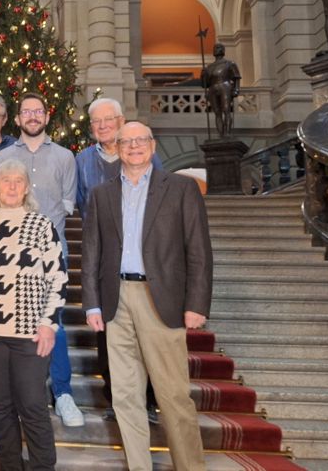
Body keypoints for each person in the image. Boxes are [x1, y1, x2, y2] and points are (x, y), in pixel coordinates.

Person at [82, 122, 212, 471]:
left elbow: (199, 251)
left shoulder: (182, 189)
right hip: (116, 301)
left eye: (141, 141)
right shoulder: (101, 194)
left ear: (153, 147)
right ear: (118, 148)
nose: (134, 147)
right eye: (127, 141)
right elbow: (92, 252)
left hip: (162, 300)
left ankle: (190, 467)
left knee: (172, 396)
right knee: (125, 396)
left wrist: (196, 304)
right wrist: (92, 302)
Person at [0, 158, 67, 471]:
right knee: (1, 407)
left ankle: (43, 467)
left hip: (29, 334)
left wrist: (49, 324)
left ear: (26, 188)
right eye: (5, 180)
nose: (10, 186)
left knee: (32, 406)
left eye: (17, 181)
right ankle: (10, 465)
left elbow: (57, 278)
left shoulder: (41, 225)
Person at [0, 92, 83, 428]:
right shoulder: (2, 156)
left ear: (47, 117)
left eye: (38, 111)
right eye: (26, 111)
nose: (32, 116)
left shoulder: (64, 157)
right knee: (12, 326)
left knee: (53, 325)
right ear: (17, 119)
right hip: (10, 255)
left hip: (50, 254)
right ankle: (21, 395)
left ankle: (62, 394)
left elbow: (67, 204)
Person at [74, 98, 163, 425]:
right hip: (103, 260)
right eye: (95, 122)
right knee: (108, 339)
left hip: (144, 260)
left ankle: (150, 401)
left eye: (107, 120)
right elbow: (84, 205)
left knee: (147, 338)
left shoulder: (143, 154)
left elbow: (162, 199)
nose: (101, 127)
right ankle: (116, 399)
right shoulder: (82, 160)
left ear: (121, 120)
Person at [201, 43, 241, 139]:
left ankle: (227, 132)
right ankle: (221, 134)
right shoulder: (209, 67)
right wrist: (203, 75)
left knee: (226, 110)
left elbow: (236, 77)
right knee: (217, 113)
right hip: (213, 88)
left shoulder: (229, 63)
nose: (216, 49)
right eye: (215, 48)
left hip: (225, 85)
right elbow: (204, 84)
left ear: (223, 50)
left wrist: (236, 89)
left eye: (219, 48)